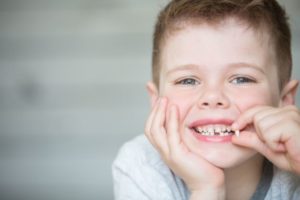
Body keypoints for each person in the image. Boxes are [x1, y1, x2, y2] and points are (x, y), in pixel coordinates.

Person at [112, 0, 300, 199]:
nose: (212, 97)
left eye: (241, 79)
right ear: (156, 101)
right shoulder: (141, 165)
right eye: (188, 81)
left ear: (285, 99)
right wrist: (207, 190)